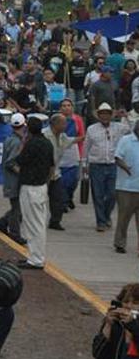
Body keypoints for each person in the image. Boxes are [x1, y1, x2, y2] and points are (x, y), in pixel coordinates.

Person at [84, 103, 131, 232]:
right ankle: (101, 221)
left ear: (111, 115)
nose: (105, 116)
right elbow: (86, 147)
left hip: (112, 165)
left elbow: (132, 130)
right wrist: (84, 164)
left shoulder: (119, 128)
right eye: (102, 113)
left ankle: (106, 215)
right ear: (99, 115)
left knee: (111, 194)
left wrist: (125, 117)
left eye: (107, 113)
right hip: (96, 165)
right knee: (98, 194)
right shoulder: (91, 129)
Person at [16, 116, 55, 269]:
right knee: (38, 223)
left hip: (30, 187)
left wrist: (23, 143)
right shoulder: (47, 143)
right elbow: (52, 166)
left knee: (33, 225)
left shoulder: (31, 144)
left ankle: (36, 259)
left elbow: (19, 160)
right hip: (41, 186)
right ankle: (35, 256)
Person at [46, 113, 83, 231]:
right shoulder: (44, 135)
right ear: (55, 124)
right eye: (63, 123)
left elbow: (73, 140)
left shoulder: (62, 136)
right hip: (42, 174)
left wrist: (86, 136)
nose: (66, 125)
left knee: (60, 198)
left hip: (55, 174)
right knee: (36, 200)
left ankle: (55, 221)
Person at [0, 113, 27, 245]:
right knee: (17, 209)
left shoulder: (11, 139)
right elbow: (11, 162)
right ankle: (15, 234)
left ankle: (3, 222)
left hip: (11, 180)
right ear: (24, 125)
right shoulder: (16, 142)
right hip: (14, 181)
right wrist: (22, 173)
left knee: (17, 207)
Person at [114, 120, 139, 255]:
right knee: (124, 218)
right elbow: (117, 157)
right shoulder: (126, 140)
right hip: (126, 187)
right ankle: (120, 243)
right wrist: (125, 167)